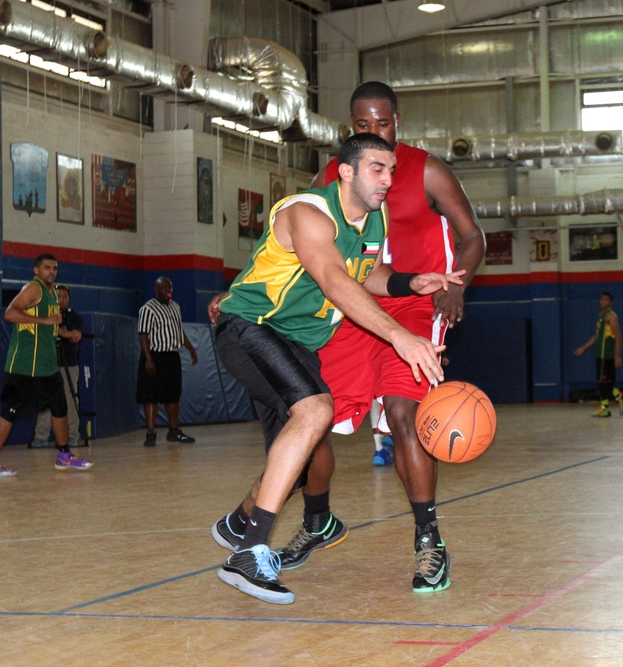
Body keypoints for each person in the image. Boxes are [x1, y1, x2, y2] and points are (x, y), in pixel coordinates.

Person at [211, 82, 485, 595]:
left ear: (397, 122)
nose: (375, 133)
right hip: (351, 313)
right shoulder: (333, 184)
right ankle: (315, 519)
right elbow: (308, 263)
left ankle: (429, 543)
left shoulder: (423, 170)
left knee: (403, 414)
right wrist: (235, 294)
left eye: (383, 125)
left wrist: (448, 285)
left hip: (412, 308)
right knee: (316, 414)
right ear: (351, 133)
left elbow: (470, 237)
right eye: (365, 126)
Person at [0, 254, 93, 476]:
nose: (51, 272)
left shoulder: (53, 293)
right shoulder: (33, 289)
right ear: (37, 271)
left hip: (47, 366)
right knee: (10, 411)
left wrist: (66, 333)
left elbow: (51, 328)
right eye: (47, 268)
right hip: (25, 366)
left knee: (60, 407)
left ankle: (64, 455)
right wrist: (43, 321)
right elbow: (10, 314)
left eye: (54, 268)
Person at [136, 276, 198, 447]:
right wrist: (148, 359)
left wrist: (190, 348)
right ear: (156, 290)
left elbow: (179, 331)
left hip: (172, 356)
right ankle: (150, 434)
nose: (168, 292)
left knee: (173, 396)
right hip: (155, 356)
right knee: (152, 398)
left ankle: (174, 431)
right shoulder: (147, 309)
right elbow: (143, 336)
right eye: (164, 289)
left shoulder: (175, 307)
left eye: (170, 288)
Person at [32, 284, 83, 448]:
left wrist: (70, 333)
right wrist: (64, 332)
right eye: (58, 297)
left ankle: (73, 435)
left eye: (65, 297)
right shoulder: (45, 315)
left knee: (70, 398)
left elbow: (76, 333)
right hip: (48, 363)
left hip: (69, 363)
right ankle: (41, 436)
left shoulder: (74, 316)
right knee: (46, 400)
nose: (61, 300)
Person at [573, 292, 623, 418]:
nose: (602, 302)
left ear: (611, 303)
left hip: (606, 355)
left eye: (606, 300)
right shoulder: (601, 316)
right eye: (601, 299)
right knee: (605, 383)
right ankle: (620, 398)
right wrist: (583, 348)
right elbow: (597, 337)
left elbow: (618, 336)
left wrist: (617, 356)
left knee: (604, 383)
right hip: (599, 354)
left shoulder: (611, 316)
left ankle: (605, 408)